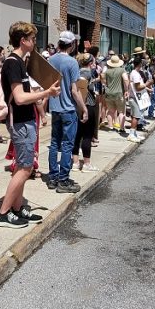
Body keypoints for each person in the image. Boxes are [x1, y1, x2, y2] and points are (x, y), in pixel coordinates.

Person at [0, 21, 60, 228]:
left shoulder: (20, 62)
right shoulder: (13, 63)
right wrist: (47, 93)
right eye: (32, 39)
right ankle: (3, 214)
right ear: (23, 40)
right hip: (20, 122)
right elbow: (20, 98)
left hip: (26, 120)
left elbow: (24, 95)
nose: (35, 42)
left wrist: (40, 94)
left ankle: (17, 207)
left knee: (23, 167)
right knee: (24, 168)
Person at [47, 31, 87, 193]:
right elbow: (74, 90)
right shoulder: (72, 62)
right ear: (71, 45)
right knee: (67, 145)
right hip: (68, 109)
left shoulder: (51, 59)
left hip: (55, 108)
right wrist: (83, 108)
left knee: (54, 143)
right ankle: (63, 180)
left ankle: (52, 178)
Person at [72, 53, 100, 172]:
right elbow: (81, 88)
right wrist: (84, 108)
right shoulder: (86, 73)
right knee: (87, 136)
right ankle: (86, 164)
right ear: (90, 63)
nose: (94, 64)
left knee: (77, 136)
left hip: (79, 106)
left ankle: (76, 162)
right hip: (87, 105)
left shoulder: (79, 71)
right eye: (93, 62)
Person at [126, 57, 147, 143]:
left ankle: (134, 133)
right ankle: (131, 134)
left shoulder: (135, 73)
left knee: (135, 115)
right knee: (136, 116)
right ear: (140, 64)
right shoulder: (135, 74)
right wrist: (147, 84)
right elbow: (137, 87)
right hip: (134, 98)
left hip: (135, 98)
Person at [102, 54, 126, 131]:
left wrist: (106, 85)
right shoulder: (122, 70)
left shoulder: (107, 71)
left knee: (110, 111)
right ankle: (122, 128)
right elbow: (126, 79)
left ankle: (110, 127)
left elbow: (102, 77)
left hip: (109, 93)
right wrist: (126, 90)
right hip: (119, 93)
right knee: (121, 111)